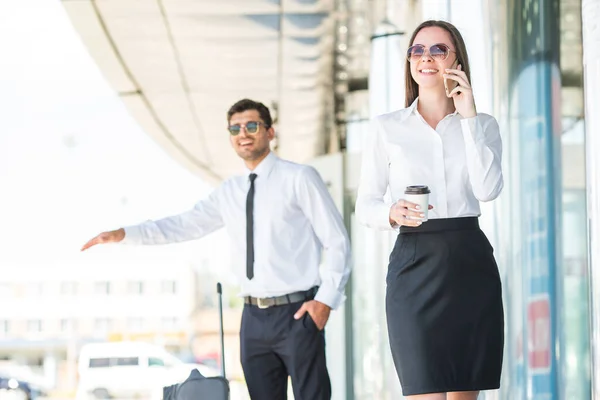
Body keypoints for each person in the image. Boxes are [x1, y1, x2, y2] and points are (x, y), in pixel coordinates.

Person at [81, 98, 352, 400]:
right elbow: (183, 224)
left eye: (251, 125)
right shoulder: (229, 192)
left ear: (270, 132)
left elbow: (337, 240)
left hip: (298, 313)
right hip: (252, 319)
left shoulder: (299, 178)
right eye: (235, 128)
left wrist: (325, 302)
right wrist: (125, 234)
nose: (243, 133)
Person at [355, 20, 504, 400]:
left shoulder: (483, 125)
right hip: (414, 263)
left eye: (439, 50)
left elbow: (487, 190)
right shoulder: (387, 128)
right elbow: (365, 204)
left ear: (457, 61)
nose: (427, 58)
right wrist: (392, 212)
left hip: (469, 265)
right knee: (424, 390)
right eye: (417, 51)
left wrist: (468, 116)